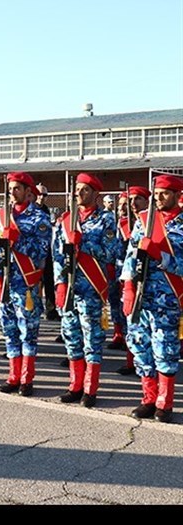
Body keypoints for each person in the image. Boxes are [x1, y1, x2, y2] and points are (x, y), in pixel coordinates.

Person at [54, 173, 120, 407]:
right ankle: (75, 385)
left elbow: (113, 252)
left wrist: (84, 243)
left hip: (92, 289)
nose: (79, 194)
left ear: (96, 194)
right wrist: (59, 284)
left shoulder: (106, 220)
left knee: (92, 339)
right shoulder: (66, 219)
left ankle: (90, 390)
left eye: (85, 190)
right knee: (72, 338)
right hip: (71, 290)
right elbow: (56, 254)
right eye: (78, 190)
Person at [120, 174, 183, 423]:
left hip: (166, 299)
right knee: (139, 345)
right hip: (140, 297)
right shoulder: (144, 221)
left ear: (178, 196)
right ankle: (148, 398)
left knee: (164, 349)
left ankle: (164, 403)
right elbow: (130, 256)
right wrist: (127, 287)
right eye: (156, 193)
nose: (158, 198)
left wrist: (161, 257)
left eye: (164, 193)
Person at [0, 172, 51, 396]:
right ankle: (13, 376)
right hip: (6, 281)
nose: (12, 193)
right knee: (10, 331)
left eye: (17, 188)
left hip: (26, 283)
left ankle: (27, 378)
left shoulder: (39, 218)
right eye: (11, 189)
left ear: (28, 191)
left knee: (28, 333)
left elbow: (42, 251)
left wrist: (17, 240)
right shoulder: (3, 215)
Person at [108, 186, 150, 376]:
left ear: (146, 202)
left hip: (148, 279)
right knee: (127, 319)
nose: (132, 205)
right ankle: (130, 360)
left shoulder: (149, 222)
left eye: (137, 200)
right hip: (124, 274)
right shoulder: (123, 224)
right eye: (129, 201)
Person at [34, 183, 60, 321]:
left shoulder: (45, 210)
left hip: (47, 250)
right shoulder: (31, 210)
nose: (41, 197)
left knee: (49, 281)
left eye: (44, 195)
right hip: (35, 252)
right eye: (39, 194)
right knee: (37, 283)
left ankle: (51, 310)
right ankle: (36, 309)